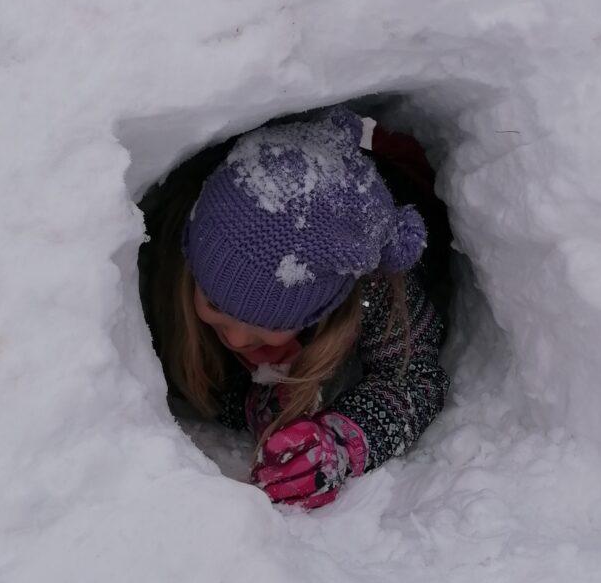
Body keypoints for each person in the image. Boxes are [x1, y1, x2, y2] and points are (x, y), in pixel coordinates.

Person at [144, 111, 450, 509]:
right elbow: (204, 381)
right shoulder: (184, 263)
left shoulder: (375, 289)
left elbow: (415, 376)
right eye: (215, 303)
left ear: (326, 306)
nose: (235, 338)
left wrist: (342, 440)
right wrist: (256, 402)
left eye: (268, 324)